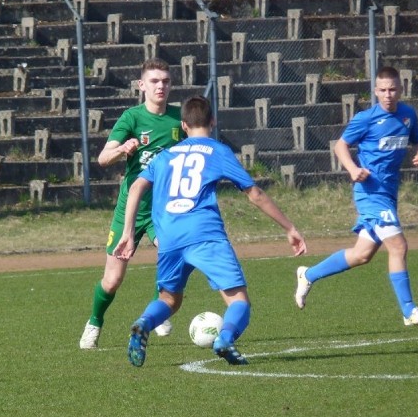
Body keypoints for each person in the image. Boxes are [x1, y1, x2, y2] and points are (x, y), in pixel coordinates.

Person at [113, 95, 307, 367]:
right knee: (239, 301)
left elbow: (135, 187)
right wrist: (289, 227)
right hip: (204, 234)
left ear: (183, 125)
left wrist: (128, 233)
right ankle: (226, 339)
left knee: (169, 299)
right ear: (212, 122)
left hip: (168, 236)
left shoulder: (165, 155)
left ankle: (144, 323)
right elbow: (255, 194)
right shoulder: (218, 151)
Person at [294, 66, 418, 326]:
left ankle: (308, 275)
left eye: (393, 89)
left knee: (362, 254)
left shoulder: (408, 115)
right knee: (398, 246)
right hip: (370, 192)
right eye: (382, 90)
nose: (388, 95)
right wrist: (352, 169)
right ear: (375, 91)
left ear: (401, 89)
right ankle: (409, 311)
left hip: (389, 191)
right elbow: (340, 145)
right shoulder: (366, 118)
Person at [79, 58, 186, 349]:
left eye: (165, 80)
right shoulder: (132, 118)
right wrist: (122, 149)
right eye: (154, 81)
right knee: (112, 280)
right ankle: (94, 322)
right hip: (131, 208)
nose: (160, 85)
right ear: (142, 86)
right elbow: (102, 159)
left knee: (170, 257)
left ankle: (158, 312)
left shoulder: (180, 118)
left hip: (164, 209)